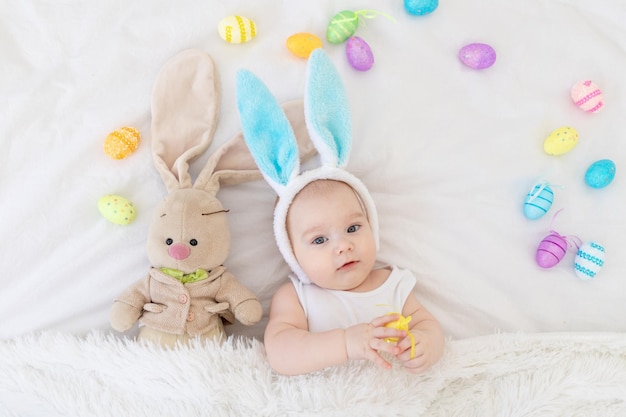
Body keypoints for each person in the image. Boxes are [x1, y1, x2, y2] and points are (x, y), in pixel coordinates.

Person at [263, 179, 445, 376]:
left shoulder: (393, 284)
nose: (344, 245)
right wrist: (345, 343)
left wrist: (425, 344)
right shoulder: (296, 297)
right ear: (292, 253)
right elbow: (280, 354)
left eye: (352, 228)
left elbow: (427, 325)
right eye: (320, 240)